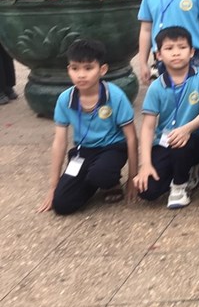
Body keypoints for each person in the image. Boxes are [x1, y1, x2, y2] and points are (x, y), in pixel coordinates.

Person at [37, 39, 138, 214]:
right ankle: (92, 180)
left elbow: (131, 137)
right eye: (75, 68)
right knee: (62, 204)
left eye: (88, 68)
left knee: (101, 173)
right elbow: (59, 142)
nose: (81, 75)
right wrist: (54, 187)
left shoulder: (115, 96)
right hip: (83, 151)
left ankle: (109, 182)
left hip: (112, 148)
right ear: (68, 70)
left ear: (102, 70)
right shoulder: (65, 99)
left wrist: (132, 177)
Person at [133, 27, 199, 207]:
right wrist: (145, 164)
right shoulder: (156, 87)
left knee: (180, 144)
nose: (176, 53)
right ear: (159, 55)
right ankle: (181, 170)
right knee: (148, 191)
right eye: (169, 48)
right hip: (165, 141)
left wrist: (186, 129)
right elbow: (148, 127)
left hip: (195, 138)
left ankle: (180, 186)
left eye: (182, 47)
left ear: (192, 52)